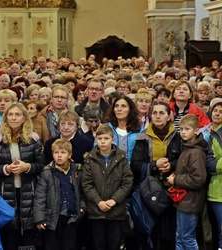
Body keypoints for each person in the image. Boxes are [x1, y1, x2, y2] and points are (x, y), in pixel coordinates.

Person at [0, 102, 45, 250]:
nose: (13, 118)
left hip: (29, 191)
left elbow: (42, 165)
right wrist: (6, 168)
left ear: (24, 117)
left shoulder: (33, 139)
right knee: (10, 234)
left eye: (17, 114)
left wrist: (27, 167)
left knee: (28, 233)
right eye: (10, 115)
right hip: (6, 192)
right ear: (5, 118)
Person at [131, 102, 182, 249]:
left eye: (162, 113)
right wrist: (155, 165)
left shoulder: (178, 137)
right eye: (155, 113)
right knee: (150, 230)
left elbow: (184, 160)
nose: (158, 116)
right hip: (149, 191)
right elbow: (135, 164)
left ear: (169, 116)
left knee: (169, 232)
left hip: (171, 191)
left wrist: (171, 165)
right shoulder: (142, 137)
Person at [82, 124, 133, 250]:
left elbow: (127, 182)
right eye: (100, 139)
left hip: (116, 211)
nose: (103, 142)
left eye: (106, 138)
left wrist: (114, 200)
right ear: (95, 140)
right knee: (98, 244)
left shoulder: (122, 158)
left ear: (113, 139)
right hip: (96, 211)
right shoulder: (90, 159)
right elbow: (86, 184)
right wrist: (98, 201)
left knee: (114, 244)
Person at [33, 139, 86, 250]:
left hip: (71, 217)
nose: (59, 156)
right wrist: (40, 219)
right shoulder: (47, 172)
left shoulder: (76, 171)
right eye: (56, 153)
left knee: (70, 246)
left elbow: (81, 192)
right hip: (52, 219)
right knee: (52, 246)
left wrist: (82, 208)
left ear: (70, 154)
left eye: (63, 153)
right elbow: (40, 197)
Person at [167, 114, 208, 250]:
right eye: (181, 129)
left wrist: (176, 179)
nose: (183, 132)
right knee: (180, 236)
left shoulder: (196, 152)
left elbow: (198, 179)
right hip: (183, 200)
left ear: (196, 130)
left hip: (191, 201)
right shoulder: (187, 147)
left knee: (187, 237)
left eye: (187, 129)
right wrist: (176, 174)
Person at [104, 95, 143, 162]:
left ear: (130, 110)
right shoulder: (106, 128)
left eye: (123, 106)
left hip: (133, 170)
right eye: (116, 106)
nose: (119, 109)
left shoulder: (140, 130)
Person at [205, 102, 222, 250]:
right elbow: (209, 165)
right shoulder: (211, 135)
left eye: (221, 111)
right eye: (215, 110)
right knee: (218, 230)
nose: (217, 113)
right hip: (216, 191)